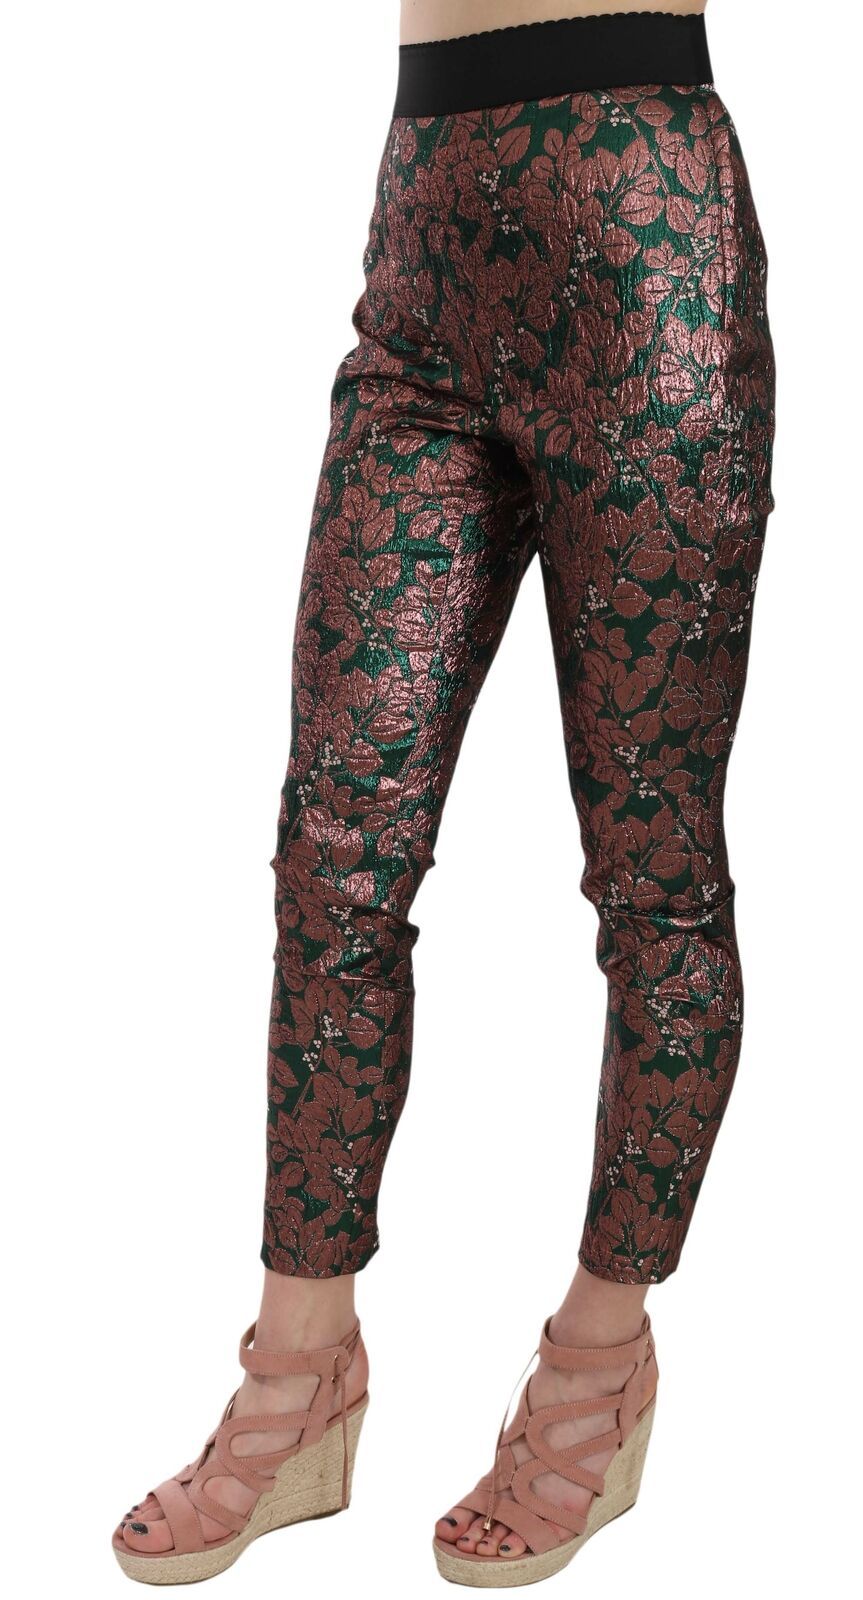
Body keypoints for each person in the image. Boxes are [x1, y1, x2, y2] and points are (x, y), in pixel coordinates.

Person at [112, 0, 775, 1586]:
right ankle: (301, 1374)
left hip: (650, 239)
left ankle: (601, 1361)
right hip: (423, 235)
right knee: (333, 857)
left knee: (655, 878)